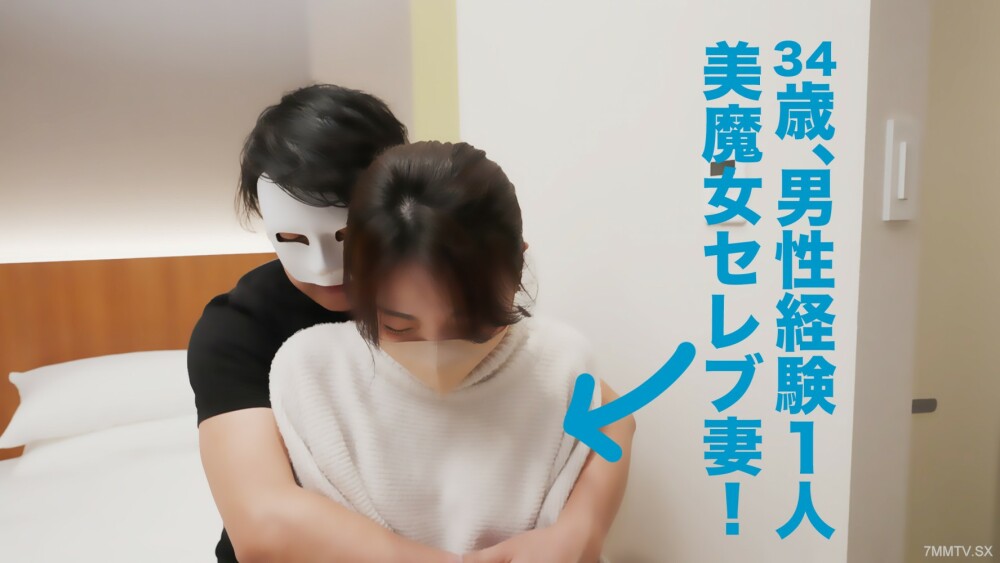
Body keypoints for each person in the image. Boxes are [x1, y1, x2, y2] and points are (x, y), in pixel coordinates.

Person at [188, 84, 634, 563]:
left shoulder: (443, 277)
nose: (324, 268)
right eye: (293, 238)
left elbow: (606, 410)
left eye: (346, 235)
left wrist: (580, 528)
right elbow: (264, 525)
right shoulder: (244, 332)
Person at [269, 141, 623, 562]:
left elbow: (613, 431)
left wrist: (581, 529)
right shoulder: (312, 373)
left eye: (469, 325)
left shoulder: (561, 364)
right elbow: (273, 530)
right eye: (399, 326)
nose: (436, 351)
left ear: (517, 268)